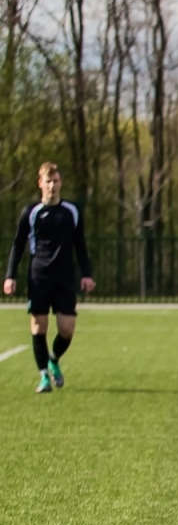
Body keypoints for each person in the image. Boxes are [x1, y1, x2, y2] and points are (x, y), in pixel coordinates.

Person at [4, 162, 94, 393]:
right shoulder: (31, 213)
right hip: (39, 276)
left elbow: (80, 244)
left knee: (67, 328)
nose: (52, 185)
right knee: (39, 325)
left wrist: (86, 273)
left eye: (55, 181)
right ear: (40, 184)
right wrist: (10, 276)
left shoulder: (71, 211)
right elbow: (18, 244)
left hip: (64, 277)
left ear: (61, 183)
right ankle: (43, 376)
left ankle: (53, 359)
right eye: (48, 181)